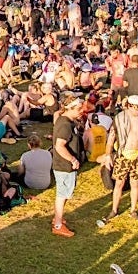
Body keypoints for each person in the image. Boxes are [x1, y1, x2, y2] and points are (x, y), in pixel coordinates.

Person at [105, 95, 138, 226]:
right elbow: (111, 138)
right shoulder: (119, 118)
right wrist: (108, 155)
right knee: (119, 184)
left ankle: (133, 210)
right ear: (130, 106)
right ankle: (114, 210)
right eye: (137, 108)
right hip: (123, 154)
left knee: (135, 184)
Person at [51, 100, 86, 237]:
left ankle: (57, 218)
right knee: (62, 194)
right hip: (64, 166)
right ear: (69, 108)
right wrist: (72, 159)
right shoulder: (65, 125)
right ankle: (58, 225)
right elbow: (59, 146)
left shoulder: (66, 121)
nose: (81, 111)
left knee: (63, 193)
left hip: (64, 165)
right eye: (78, 108)